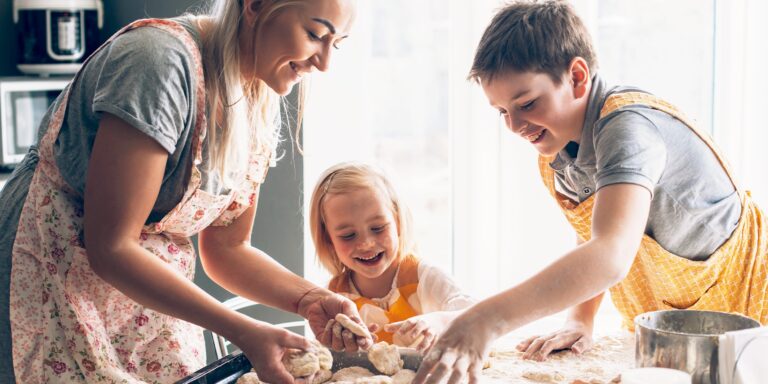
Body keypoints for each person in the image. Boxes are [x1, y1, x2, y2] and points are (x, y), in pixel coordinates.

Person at [0, 0, 372, 383]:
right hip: (51, 285)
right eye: (315, 35)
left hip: (143, 305)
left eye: (337, 44)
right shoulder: (157, 64)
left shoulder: (257, 94)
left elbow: (227, 249)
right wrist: (243, 330)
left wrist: (308, 299)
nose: (324, 64)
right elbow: (112, 247)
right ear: (255, 5)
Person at [414, 1, 768, 383]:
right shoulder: (556, 150)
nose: (514, 125)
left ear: (578, 77)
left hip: (753, 308)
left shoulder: (627, 127)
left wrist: (485, 320)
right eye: (501, 111)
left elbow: (610, 253)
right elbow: (593, 234)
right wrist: (581, 318)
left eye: (527, 103)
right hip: (675, 325)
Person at [308, 162, 475, 353]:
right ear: (328, 239)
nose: (366, 244)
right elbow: (328, 356)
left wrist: (438, 321)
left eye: (378, 228)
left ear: (397, 222)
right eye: (348, 235)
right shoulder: (335, 296)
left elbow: (477, 316)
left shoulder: (424, 278)